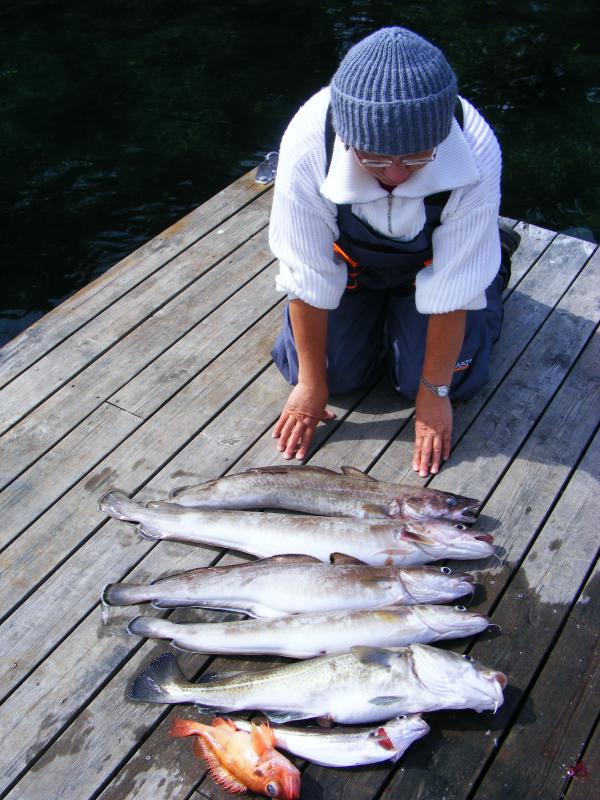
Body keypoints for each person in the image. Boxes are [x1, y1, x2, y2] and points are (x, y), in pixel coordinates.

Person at [268, 26, 519, 477]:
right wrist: (310, 384)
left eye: (417, 158)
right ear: (347, 138)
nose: (398, 176)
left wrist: (433, 395)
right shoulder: (308, 141)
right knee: (330, 376)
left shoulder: (476, 147)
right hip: (349, 267)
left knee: (441, 381)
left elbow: (453, 289)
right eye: (377, 159)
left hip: (435, 265)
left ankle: (491, 258)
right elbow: (306, 272)